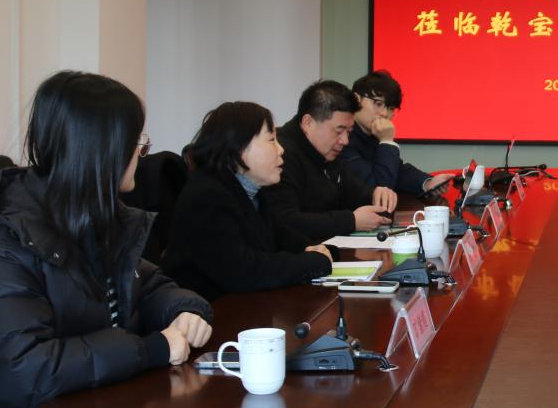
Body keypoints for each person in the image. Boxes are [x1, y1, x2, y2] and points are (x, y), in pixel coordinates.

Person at [0, 71, 212, 408]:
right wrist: (148, 350)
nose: (141, 152)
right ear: (101, 151)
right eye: (137, 142)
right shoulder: (3, 247)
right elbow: (22, 369)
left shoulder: (92, 218)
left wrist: (183, 309)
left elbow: (146, 283)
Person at [163, 101, 334, 301]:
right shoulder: (206, 197)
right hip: (210, 312)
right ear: (239, 147)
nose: (281, 150)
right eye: (271, 140)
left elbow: (281, 237)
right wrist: (311, 262)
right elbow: (243, 271)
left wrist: (315, 250)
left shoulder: (250, 190)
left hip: (244, 306)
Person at [261, 80, 395, 243]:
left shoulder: (327, 152)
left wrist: (377, 195)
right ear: (308, 123)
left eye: (348, 132)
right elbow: (285, 221)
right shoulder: (280, 155)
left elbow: (355, 193)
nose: (345, 141)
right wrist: (351, 221)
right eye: (339, 131)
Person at [342, 70, 451, 197]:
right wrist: (387, 141)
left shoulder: (372, 135)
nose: (384, 114)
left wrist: (427, 183)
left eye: (391, 108)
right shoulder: (342, 138)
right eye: (378, 103)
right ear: (356, 99)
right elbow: (380, 190)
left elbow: (396, 171)